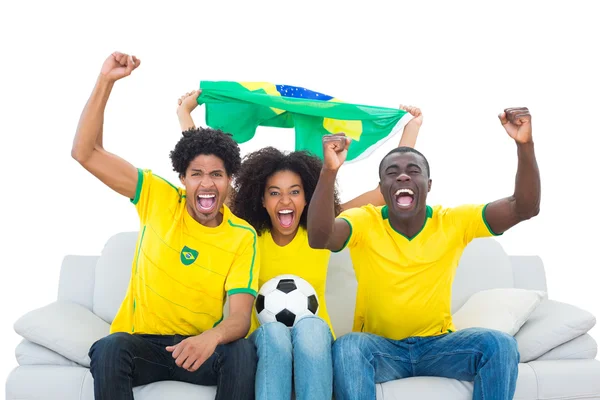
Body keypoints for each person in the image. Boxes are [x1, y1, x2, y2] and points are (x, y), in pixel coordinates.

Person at [176, 90, 423, 400]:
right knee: (276, 332)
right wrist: (185, 114)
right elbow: (208, 174)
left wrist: (411, 128)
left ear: (308, 198)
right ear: (261, 199)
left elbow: (382, 192)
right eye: (274, 193)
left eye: (294, 192)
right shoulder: (247, 232)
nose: (285, 201)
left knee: (310, 327)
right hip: (265, 345)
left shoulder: (322, 229)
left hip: (316, 344)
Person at [307, 107, 541, 400]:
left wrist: (525, 144)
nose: (403, 177)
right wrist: (329, 171)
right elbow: (319, 238)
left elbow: (524, 207)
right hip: (381, 349)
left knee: (500, 345)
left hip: (439, 347)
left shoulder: (454, 222)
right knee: (348, 346)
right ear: (382, 188)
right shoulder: (365, 221)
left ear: (428, 186)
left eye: (413, 171)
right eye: (392, 173)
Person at [73, 52, 259, 400]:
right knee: (110, 348)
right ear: (182, 179)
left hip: (200, 348)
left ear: (230, 179)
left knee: (242, 351)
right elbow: (86, 152)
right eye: (197, 175)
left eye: (217, 175)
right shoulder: (157, 196)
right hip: (142, 344)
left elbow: (239, 319)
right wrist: (106, 81)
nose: (207, 184)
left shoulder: (242, 236)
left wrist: (212, 337)